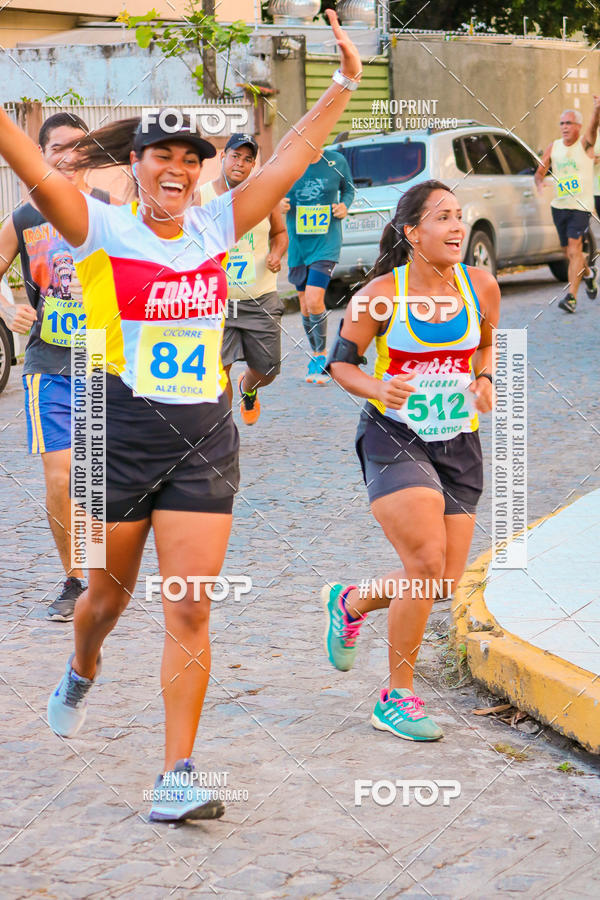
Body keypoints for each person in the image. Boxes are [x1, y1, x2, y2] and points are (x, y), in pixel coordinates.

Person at [0, 10, 362, 822]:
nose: (178, 166)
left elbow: (296, 154)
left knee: (190, 602)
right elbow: (23, 157)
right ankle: (82, 667)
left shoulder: (214, 223)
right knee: (105, 601)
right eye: (162, 152)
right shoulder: (99, 229)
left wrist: (341, 83)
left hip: (202, 434)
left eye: (190, 157)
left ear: (201, 172)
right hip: (115, 432)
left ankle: (178, 774)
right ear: (135, 162)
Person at [322, 180, 499, 741]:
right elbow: (340, 365)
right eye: (442, 218)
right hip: (394, 436)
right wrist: (379, 388)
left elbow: (486, 345)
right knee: (424, 564)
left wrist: (486, 377)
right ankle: (396, 697)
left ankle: (351, 601)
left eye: (459, 216)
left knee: (442, 582)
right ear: (412, 232)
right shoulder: (380, 294)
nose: (455, 227)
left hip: (459, 443)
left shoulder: (482, 286)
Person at [0, 112, 111, 621]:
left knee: (98, 476)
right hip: (49, 363)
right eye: (56, 148)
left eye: (77, 148)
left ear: (89, 156)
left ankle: (104, 571)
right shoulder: (23, 218)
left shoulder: (110, 211)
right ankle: (76, 580)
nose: (67, 157)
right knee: (61, 476)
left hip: (105, 360)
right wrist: (10, 309)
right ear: (40, 156)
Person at [198, 132, 288, 425]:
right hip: (217, 301)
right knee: (216, 372)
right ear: (223, 157)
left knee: (269, 369)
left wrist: (276, 253)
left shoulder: (266, 195)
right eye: (235, 156)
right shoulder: (201, 197)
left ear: (253, 165)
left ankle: (248, 386)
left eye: (248, 159)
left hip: (260, 297)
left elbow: (280, 233)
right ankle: (222, 432)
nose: (241, 163)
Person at [282, 145, 354, 384]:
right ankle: (315, 354)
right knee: (304, 304)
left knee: (314, 298)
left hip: (326, 242)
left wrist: (344, 206)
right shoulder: (290, 164)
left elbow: (349, 190)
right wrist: (278, 204)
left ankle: (322, 356)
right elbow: (273, 194)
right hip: (298, 245)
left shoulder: (337, 162)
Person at [535, 98, 600, 313]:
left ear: (578, 127)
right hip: (559, 207)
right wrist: (538, 180)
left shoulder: (584, 145)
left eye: (569, 123)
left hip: (580, 207)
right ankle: (589, 275)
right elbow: (542, 168)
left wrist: (596, 110)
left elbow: (593, 129)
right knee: (569, 253)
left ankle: (571, 298)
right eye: (562, 123)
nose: (564, 127)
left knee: (574, 250)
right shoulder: (554, 146)